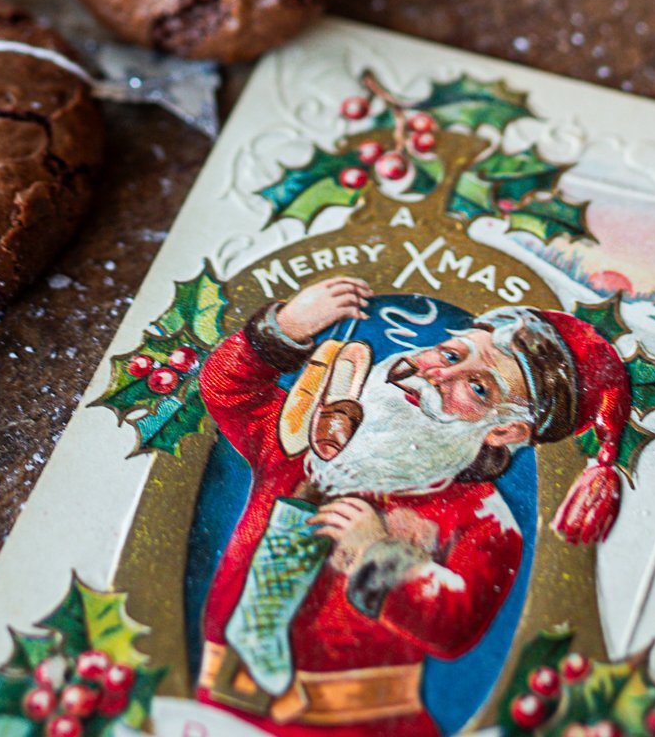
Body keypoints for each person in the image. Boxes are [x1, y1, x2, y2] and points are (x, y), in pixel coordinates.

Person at [196, 275, 631, 737]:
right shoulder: (306, 441)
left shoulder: (482, 519)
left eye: (478, 388)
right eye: (449, 355)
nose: (438, 375)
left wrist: (379, 554)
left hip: (357, 725)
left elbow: (455, 627)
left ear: (503, 432)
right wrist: (284, 328)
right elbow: (229, 392)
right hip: (215, 711)